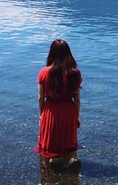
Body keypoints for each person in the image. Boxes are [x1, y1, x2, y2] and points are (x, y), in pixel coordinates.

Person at [35, 39, 82, 167]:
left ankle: (46, 173)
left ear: (52, 53)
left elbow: (40, 97)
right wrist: (76, 116)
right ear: (68, 53)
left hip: (50, 110)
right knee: (67, 143)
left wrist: (41, 115)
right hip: (68, 109)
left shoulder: (44, 72)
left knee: (47, 144)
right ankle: (67, 167)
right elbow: (77, 99)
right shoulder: (74, 73)